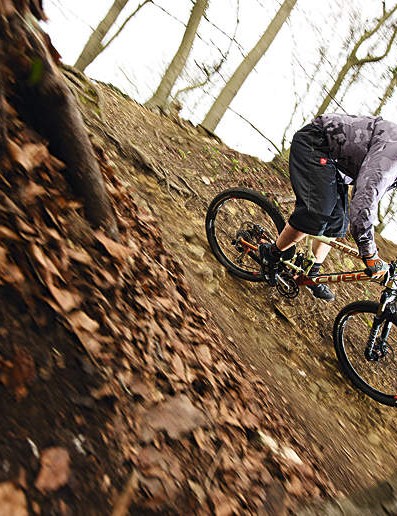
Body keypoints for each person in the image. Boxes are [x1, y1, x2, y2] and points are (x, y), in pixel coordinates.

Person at [260, 113, 396, 301]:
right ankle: (271, 253)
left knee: (338, 221)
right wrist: (369, 253)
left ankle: (311, 272)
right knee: (316, 213)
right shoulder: (392, 156)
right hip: (316, 143)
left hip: (337, 162)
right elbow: (366, 198)